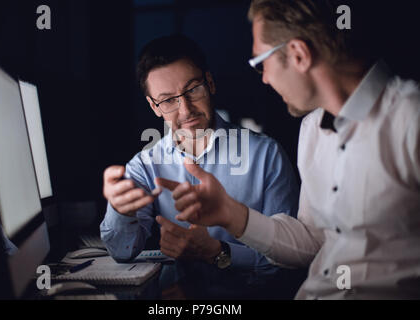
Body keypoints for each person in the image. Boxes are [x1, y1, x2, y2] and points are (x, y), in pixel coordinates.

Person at [157, 0, 420, 299]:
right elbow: (313, 241)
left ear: (298, 54)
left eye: (261, 63)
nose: (265, 79)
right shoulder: (312, 130)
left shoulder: (410, 118)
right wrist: (231, 214)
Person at [100, 34, 302, 297]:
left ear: (210, 83)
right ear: (154, 107)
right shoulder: (144, 166)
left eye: (193, 89)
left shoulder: (266, 156)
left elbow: (291, 261)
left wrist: (217, 252)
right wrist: (120, 210)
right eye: (168, 100)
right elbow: (122, 253)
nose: (185, 110)